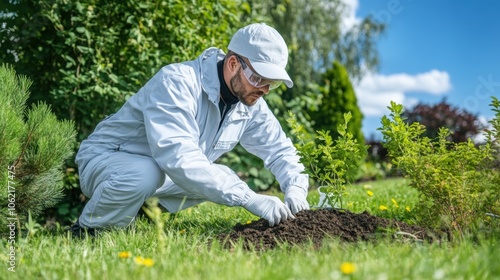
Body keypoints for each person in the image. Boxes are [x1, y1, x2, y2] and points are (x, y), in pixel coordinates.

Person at [71, 23, 309, 237]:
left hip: (157, 170)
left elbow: (279, 149)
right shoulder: (177, 82)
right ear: (233, 63)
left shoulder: (249, 102)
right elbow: (180, 158)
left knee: (220, 176)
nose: (265, 90)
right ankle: (90, 230)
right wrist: (249, 197)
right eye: (259, 79)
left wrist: (296, 188)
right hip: (106, 159)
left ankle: (137, 210)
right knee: (148, 173)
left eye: (272, 83)